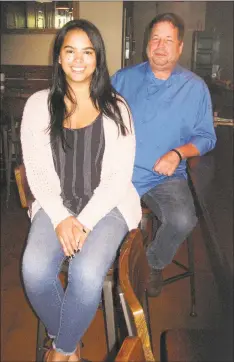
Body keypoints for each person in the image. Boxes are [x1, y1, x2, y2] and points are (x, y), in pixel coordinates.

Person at [21, 19, 141, 362]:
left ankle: (60, 352)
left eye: (87, 52)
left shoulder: (118, 109)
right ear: (58, 58)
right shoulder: (38, 105)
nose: (78, 59)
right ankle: (70, 343)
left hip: (108, 206)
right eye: (69, 51)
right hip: (55, 204)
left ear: (98, 59)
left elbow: (118, 178)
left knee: (86, 273)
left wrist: (83, 222)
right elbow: (39, 172)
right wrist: (61, 219)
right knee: (33, 269)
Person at [112, 13, 216, 297]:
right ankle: (109, 274)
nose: (160, 45)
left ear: (180, 47)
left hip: (165, 180)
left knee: (183, 220)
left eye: (168, 40)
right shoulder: (123, 79)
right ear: (147, 44)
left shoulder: (195, 88)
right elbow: (99, 121)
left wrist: (177, 153)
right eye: (155, 38)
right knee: (101, 223)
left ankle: (152, 261)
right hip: (121, 175)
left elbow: (207, 137)